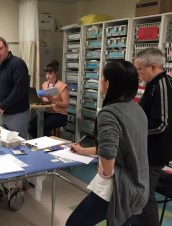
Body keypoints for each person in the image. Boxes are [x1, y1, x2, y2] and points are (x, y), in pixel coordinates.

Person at [66, 61, 149, 226]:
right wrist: (83, 151)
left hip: (118, 188)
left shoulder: (109, 113)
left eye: (102, 78)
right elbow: (122, 146)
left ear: (108, 83)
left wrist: (106, 170)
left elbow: (109, 153)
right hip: (139, 186)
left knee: (74, 223)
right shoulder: (136, 109)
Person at [131, 48, 172, 226]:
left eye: (140, 69)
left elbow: (161, 124)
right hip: (147, 149)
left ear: (153, 67)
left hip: (155, 153)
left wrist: (133, 131)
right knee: (141, 193)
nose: (137, 73)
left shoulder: (162, 85)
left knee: (145, 196)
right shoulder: (153, 84)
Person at [28, 59, 70, 138]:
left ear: (56, 73)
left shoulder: (62, 86)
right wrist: (38, 99)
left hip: (59, 114)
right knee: (30, 127)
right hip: (46, 113)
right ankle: (41, 143)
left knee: (42, 128)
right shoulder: (44, 84)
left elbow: (66, 104)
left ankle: (51, 145)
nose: (47, 76)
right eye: (46, 73)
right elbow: (44, 100)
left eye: (50, 73)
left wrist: (54, 100)